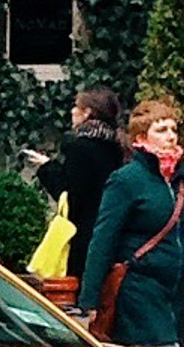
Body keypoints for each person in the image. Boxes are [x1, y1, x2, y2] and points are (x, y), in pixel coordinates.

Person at [77, 94, 184, 347]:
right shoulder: (126, 181)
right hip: (139, 294)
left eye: (174, 129)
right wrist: (89, 300)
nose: (171, 136)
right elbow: (103, 241)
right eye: (161, 130)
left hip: (175, 299)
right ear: (140, 139)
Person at [37, 86, 125, 280]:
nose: (72, 111)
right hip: (110, 238)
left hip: (82, 240)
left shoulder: (80, 148)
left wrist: (47, 168)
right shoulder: (117, 148)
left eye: (77, 107)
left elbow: (70, 198)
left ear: (87, 113)